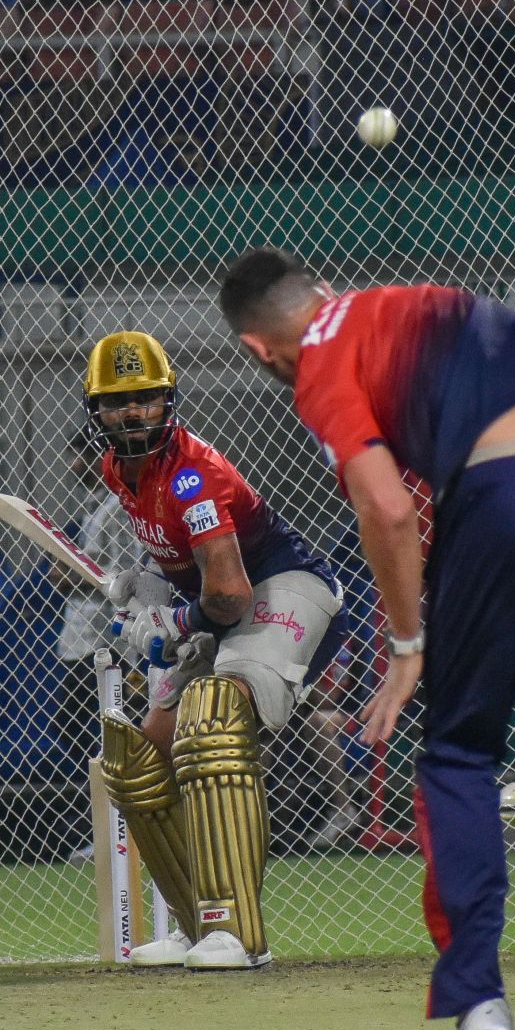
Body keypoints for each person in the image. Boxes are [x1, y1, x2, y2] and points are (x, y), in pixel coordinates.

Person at [218, 247, 515, 1030]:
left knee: (458, 752)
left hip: (510, 495)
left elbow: (385, 506)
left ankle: (482, 1010)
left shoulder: (317, 364)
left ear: (255, 347)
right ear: (320, 286)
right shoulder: (417, 299)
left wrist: (407, 641)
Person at [85, 330, 346, 970]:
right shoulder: (116, 468)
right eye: (118, 402)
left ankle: (237, 933)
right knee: (144, 755)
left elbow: (228, 593)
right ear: (97, 410)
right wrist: (147, 585)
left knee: (214, 716)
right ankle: (192, 923)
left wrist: (171, 622)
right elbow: (189, 566)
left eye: (144, 399)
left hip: (282, 588)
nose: (132, 414)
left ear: (167, 401)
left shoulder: (192, 477)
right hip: (218, 600)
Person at [53, 429, 146, 770]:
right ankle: (92, 794)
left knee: (88, 723)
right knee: (73, 725)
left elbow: (122, 573)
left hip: (103, 638)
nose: (72, 465)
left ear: (99, 459)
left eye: (79, 457)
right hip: (81, 634)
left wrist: (68, 575)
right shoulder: (91, 507)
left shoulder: (116, 508)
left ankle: (106, 791)